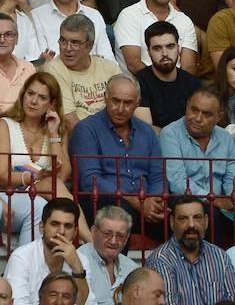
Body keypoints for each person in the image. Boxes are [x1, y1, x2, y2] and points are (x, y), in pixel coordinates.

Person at [68, 74, 166, 231]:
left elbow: (158, 175)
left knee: (186, 211)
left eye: (127, 103)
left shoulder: (147, 131)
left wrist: (154, 201)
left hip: (146, 203)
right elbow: (90, 180)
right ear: (105, 98)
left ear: (137, 103)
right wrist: (136, 201)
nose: (120, 109)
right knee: (119, 213)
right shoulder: (86, 129)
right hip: (103, 203)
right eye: (115, 101)